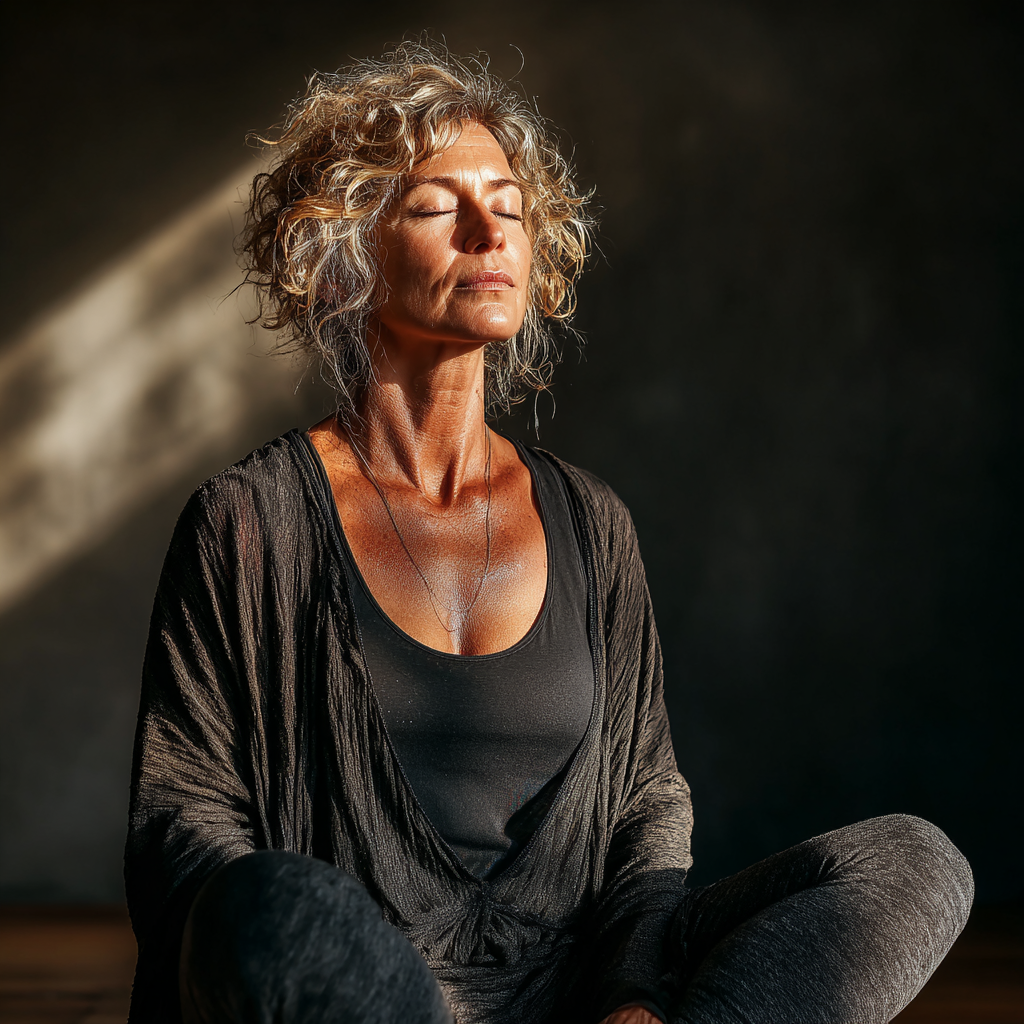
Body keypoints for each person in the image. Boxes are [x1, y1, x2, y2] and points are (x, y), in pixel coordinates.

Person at [125, 41, 973, 1024]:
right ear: (345, 254)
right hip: (363, 990)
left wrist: (631, 998)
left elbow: (645, 805)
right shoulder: (246, 521)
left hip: (576, 985)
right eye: (442, 206)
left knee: (915, 860)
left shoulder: (591, 521)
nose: (492, 230)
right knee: (269, 900)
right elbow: (181, 824)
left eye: (513, 207)